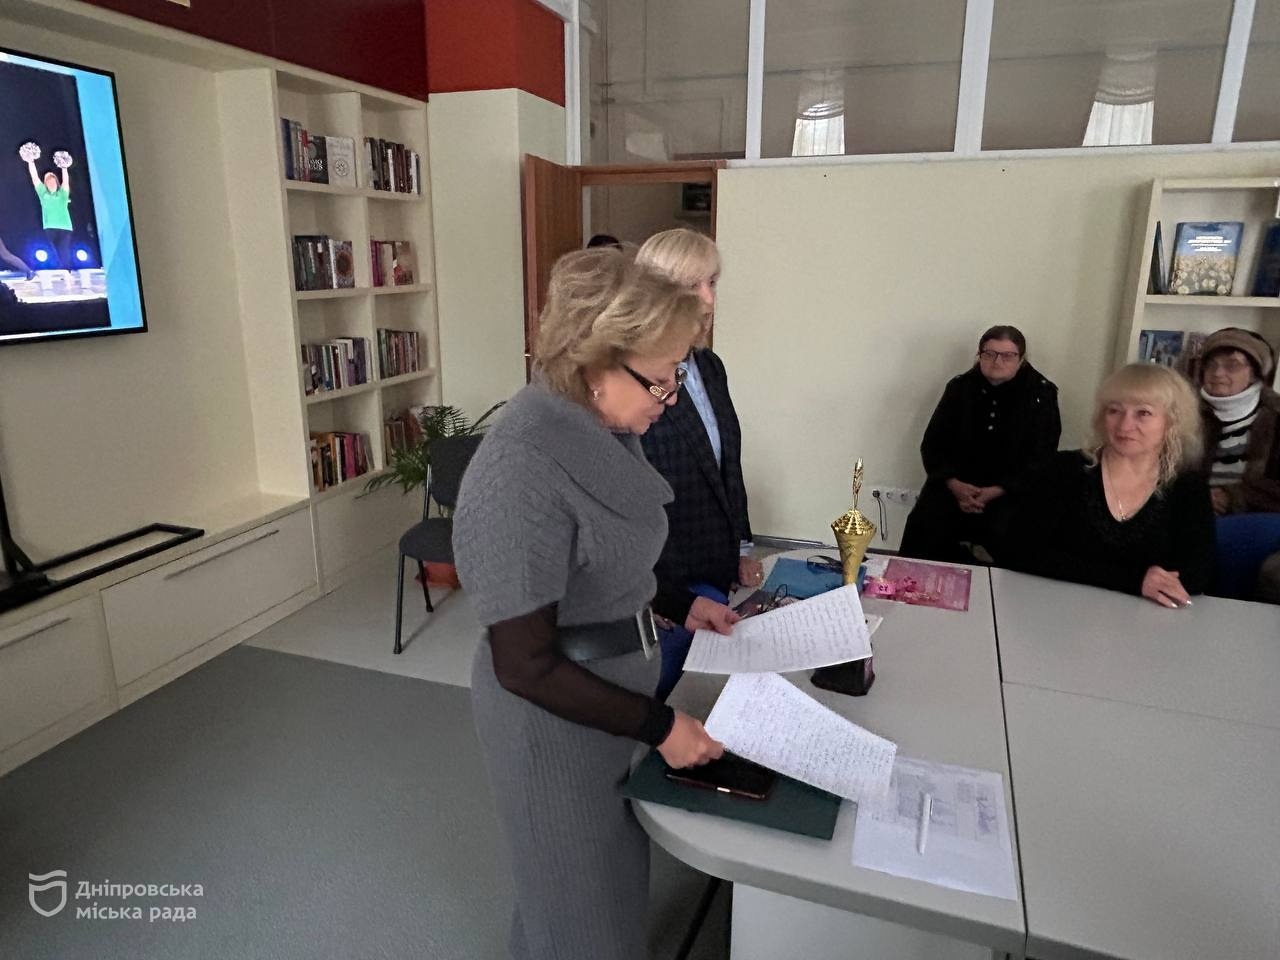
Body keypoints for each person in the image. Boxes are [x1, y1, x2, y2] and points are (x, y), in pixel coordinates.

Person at [451, 247, 740, 960]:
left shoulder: (600, 427)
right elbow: (523, 664)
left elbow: (606, 553)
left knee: (582, 898)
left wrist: (678, 602)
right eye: (662, 378)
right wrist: (661, 724)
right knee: (582, 917)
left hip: (610, 695)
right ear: (595, 363)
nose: (670, 397)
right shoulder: (520, 467)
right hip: (553, 726)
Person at [635, 228, 759, 701]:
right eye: (694, 286)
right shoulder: (637, 379)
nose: (708, 300)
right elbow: (631, 500)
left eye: (712, 283)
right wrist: (655, 592)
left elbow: (727, 466)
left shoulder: (709, 366)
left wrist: (741, 546)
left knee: (702, 696)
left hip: (712, 564)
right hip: (664, 580)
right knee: (660, 701)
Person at [1003, 363, 1213, 608]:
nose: (1124, 425)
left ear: (1172, 421)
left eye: (1143, 413)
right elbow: (1020, 551)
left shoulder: (1188, 486)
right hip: (1055, 608)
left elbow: (1197, 574)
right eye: (1114, 410)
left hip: (1146, 619)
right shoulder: (1064, 470)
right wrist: (1132, 580)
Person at [899, 325, 1060, 563]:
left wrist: (997, 490)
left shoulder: (1040, 394)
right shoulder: (960, 387)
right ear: (979, 355)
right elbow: (933, 443)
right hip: (954, 485)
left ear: (1021, 359)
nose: (997, 362)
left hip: (1009, 490)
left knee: (1013, 537)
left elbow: (1042, 456)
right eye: (989, 354)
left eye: (1007, 355)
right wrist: (954, 484)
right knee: (923, 527)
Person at [1195, 327, 1280, 515]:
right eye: (1211, 365)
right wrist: (1196, 496)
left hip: (1255, 521)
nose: (1217, 373)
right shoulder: (1184, 411)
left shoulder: (1276, 418)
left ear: (1254, 373)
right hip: (1191, 514)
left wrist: (1232, 497)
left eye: (1232, 365)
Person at [21, 144, 73, 270]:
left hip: (65, 227)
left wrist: (64, 167)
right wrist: (30, 161)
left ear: (56, 181)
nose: (50, 181)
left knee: (64, 251)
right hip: (49, 227)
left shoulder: (62, 194)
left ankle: (67, 272)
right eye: (47, 179)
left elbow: (66, 181)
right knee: (54, 252)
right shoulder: (43, 193)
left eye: (52, 179)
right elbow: (34, 177)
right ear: (45, 183)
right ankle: (61, 272)